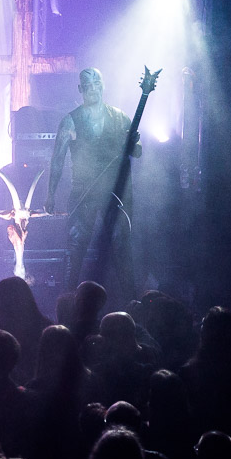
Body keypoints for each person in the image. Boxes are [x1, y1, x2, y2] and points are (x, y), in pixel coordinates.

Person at [45, 68, 141, 299]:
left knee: (121, 246)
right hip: (83, 191)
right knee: (76, 247)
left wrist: (132, 144)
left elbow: (137, 152)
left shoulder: (119, 117)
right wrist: (50, 193)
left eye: (97, 83)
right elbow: (57, 159)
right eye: (87, 85)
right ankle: (67, 303)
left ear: (103, 85)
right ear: (80, 89)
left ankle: (133, 303)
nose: (93, 89)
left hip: (114, 192)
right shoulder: (71, 120)